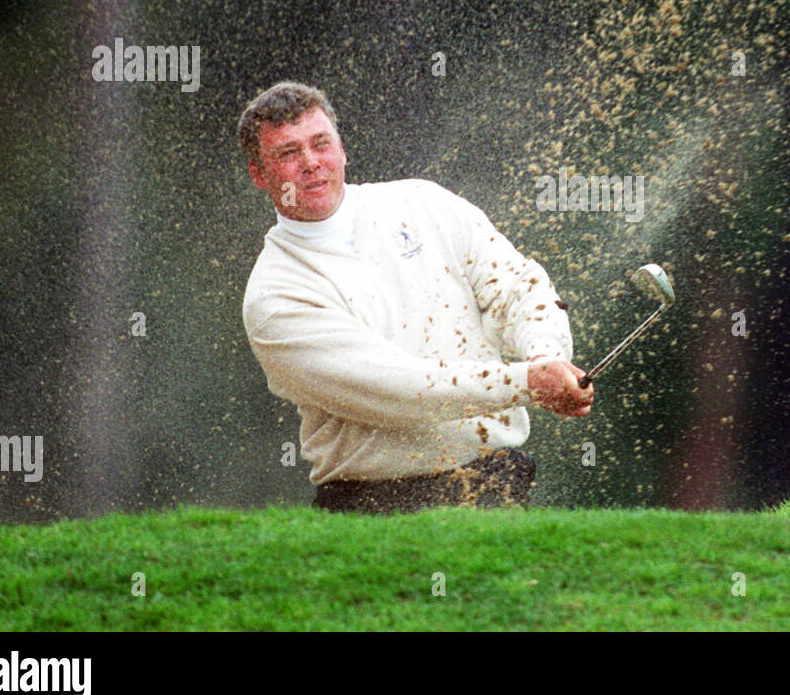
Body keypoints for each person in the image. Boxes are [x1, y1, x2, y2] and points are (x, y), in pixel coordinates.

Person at [238, 81, 594, 514]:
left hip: (493, 483)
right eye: (289, 154)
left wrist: (545, 356)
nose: (311, 163)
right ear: (259, 174)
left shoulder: (422, 204)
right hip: (372, 506)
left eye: (320, 143)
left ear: (342, 148)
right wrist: (529, 384)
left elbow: (519, 288)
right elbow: (402, 391)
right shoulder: (274, 295)